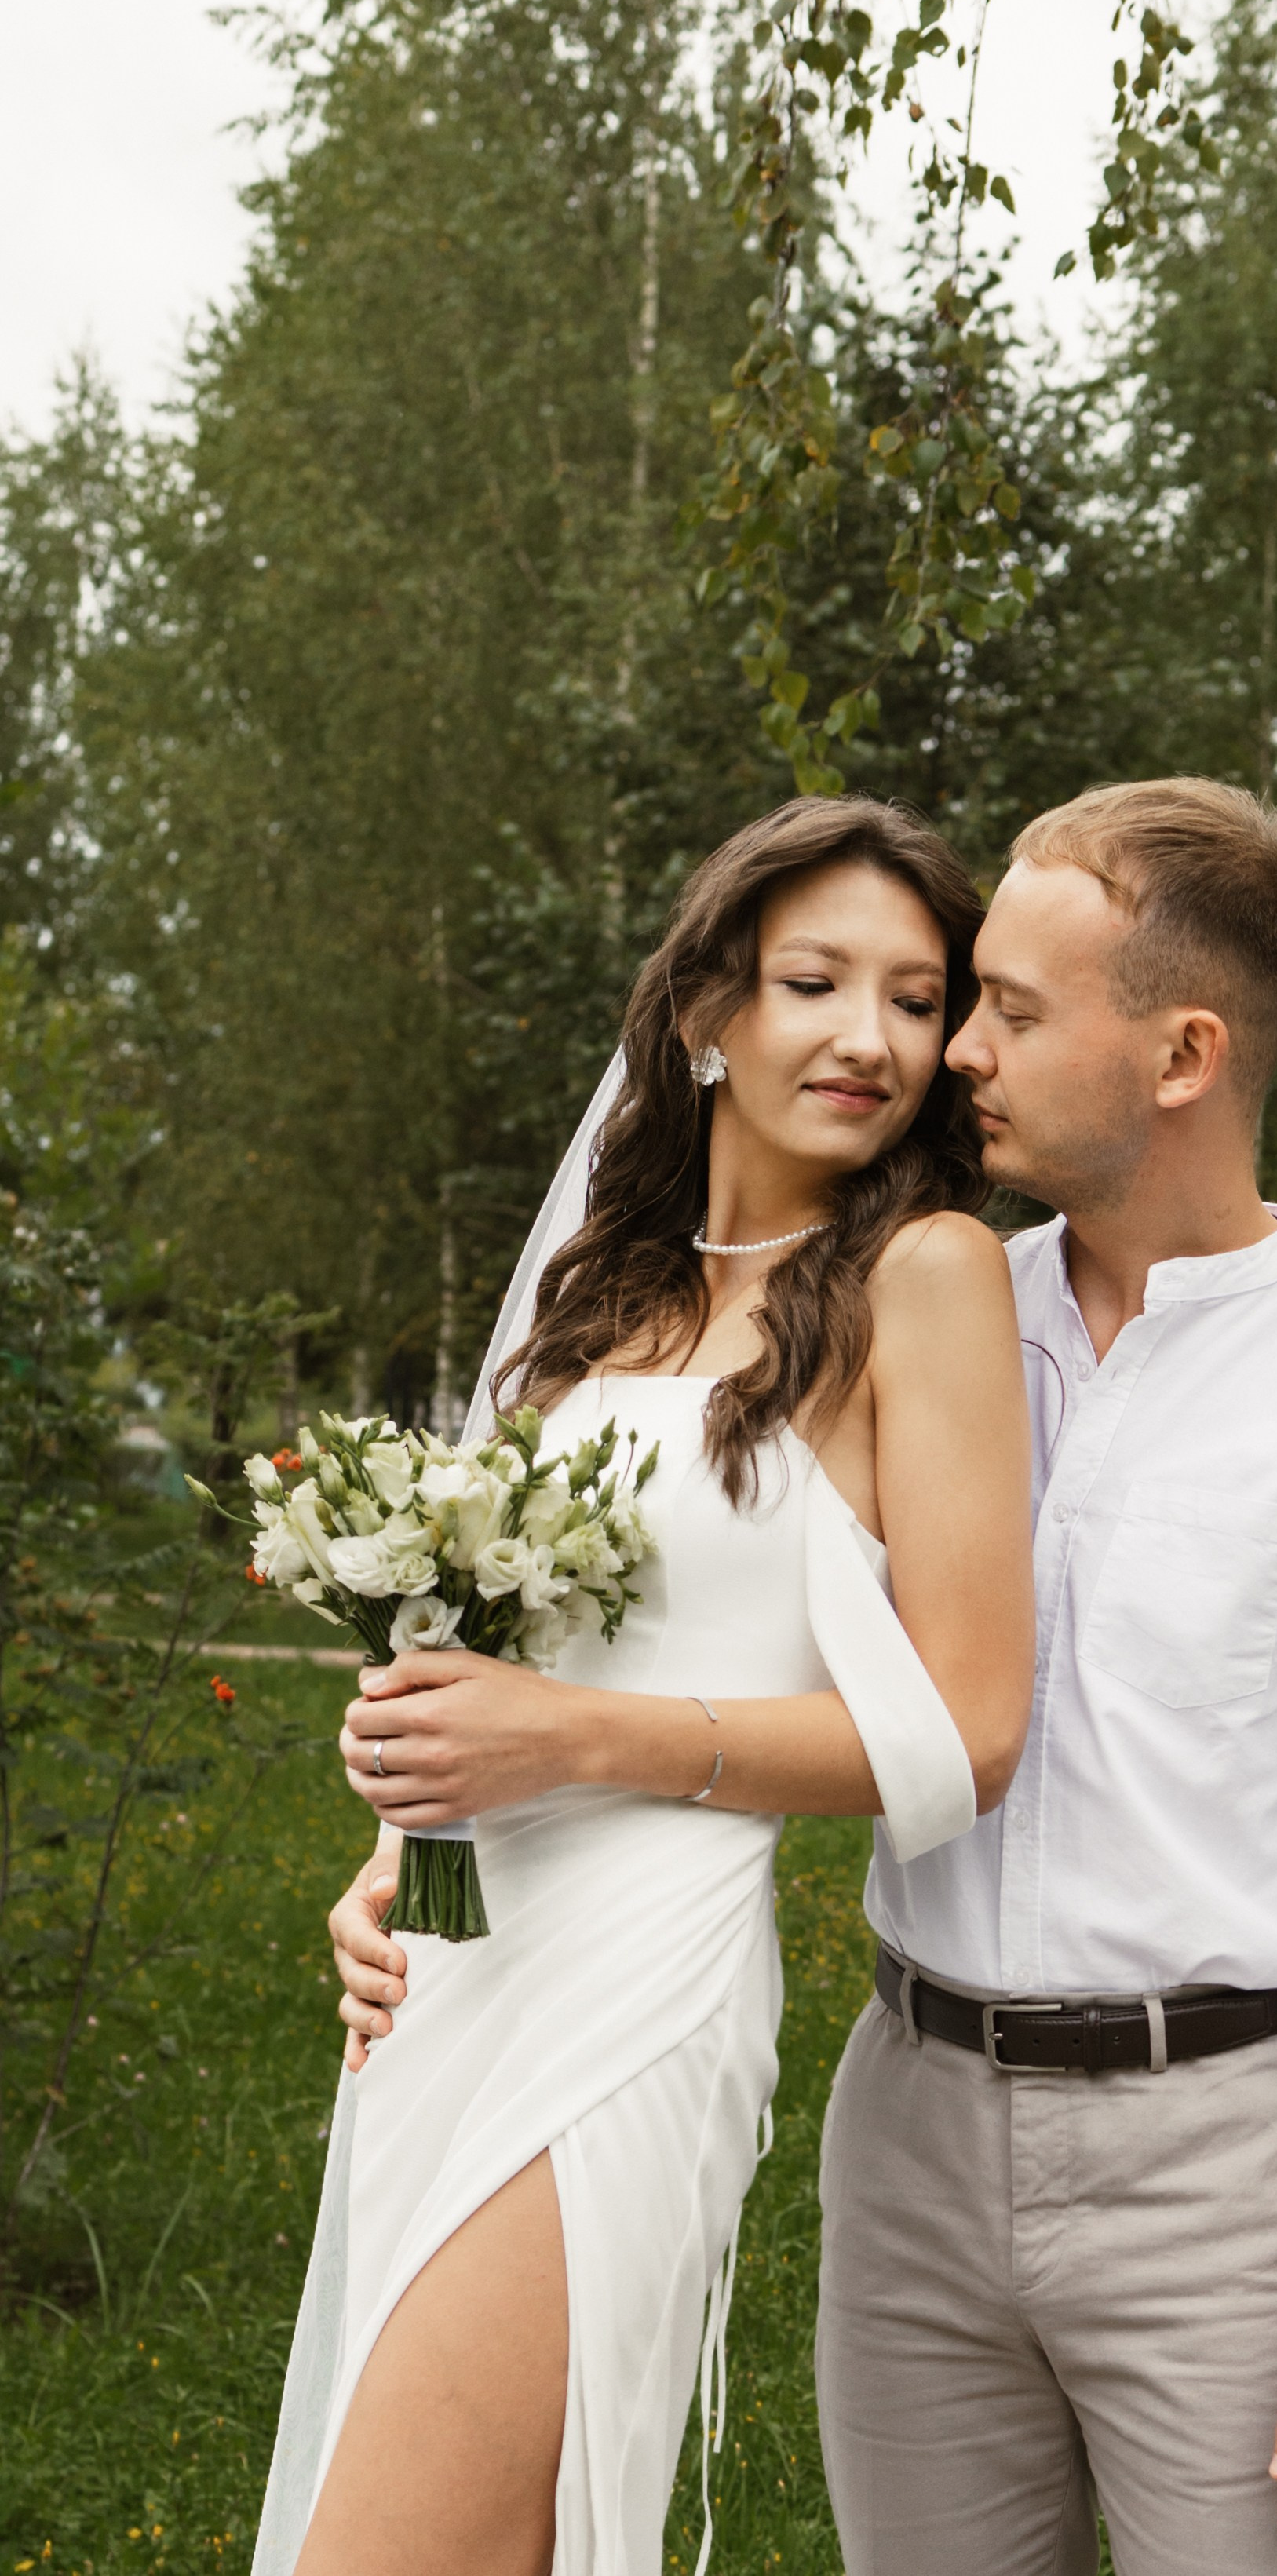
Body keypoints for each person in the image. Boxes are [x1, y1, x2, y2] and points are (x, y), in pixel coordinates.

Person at [254, 797, 1034, 2576]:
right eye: (815, 982)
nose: (869, 1037)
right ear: (704, 1013)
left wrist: (571, 1739)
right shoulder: (594, 1297)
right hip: (459, 1964)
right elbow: (503, 1649)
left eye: (918, 999)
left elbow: (966, 1730)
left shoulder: (923, 1275)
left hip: (640, 1976)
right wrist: (392, 1851)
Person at [815, 778, 1277, 2574]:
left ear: (1182, 1052)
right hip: (903, 2127)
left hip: (1218, 2174)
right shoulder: (925, 1314)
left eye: (1012, 1008)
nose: (956, 1049)